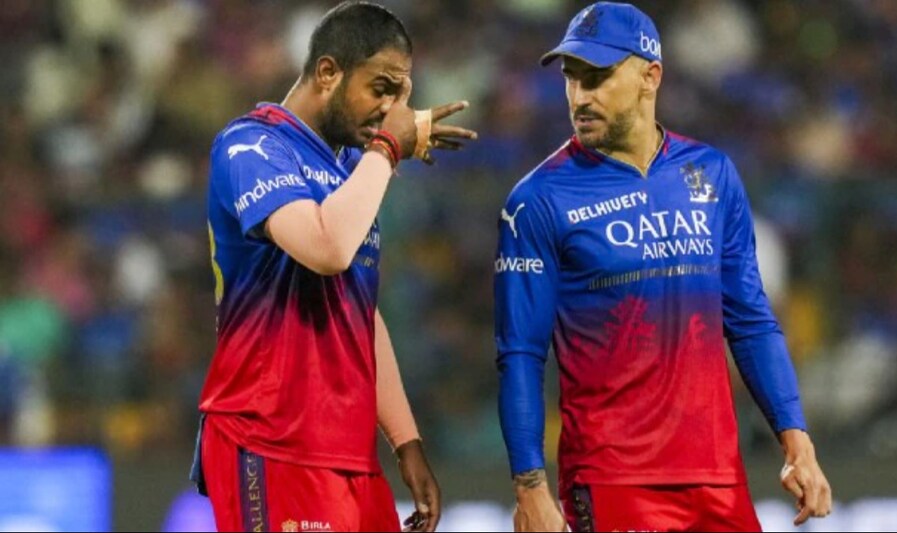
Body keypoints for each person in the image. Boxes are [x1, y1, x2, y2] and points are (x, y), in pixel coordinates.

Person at [494, 3, 832, 532]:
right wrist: (530, 488)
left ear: (650, 76)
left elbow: (751, 321)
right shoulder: (538, 200)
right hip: (612, 481)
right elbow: (520, 353)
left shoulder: (713, 174)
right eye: (572, 78)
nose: (581, 96)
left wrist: (797, 441)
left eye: (598, 77)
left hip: (720, 478)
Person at [191, 2, 477, 532]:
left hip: (347, 453)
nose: (391, 109)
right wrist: (389, 150)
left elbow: (360, 314)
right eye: (381, 88)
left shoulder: (349, 168)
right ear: (328, 72)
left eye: (401, 96)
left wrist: (406, 440)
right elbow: (326, 248)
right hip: (270, 440)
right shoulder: (251, 144)